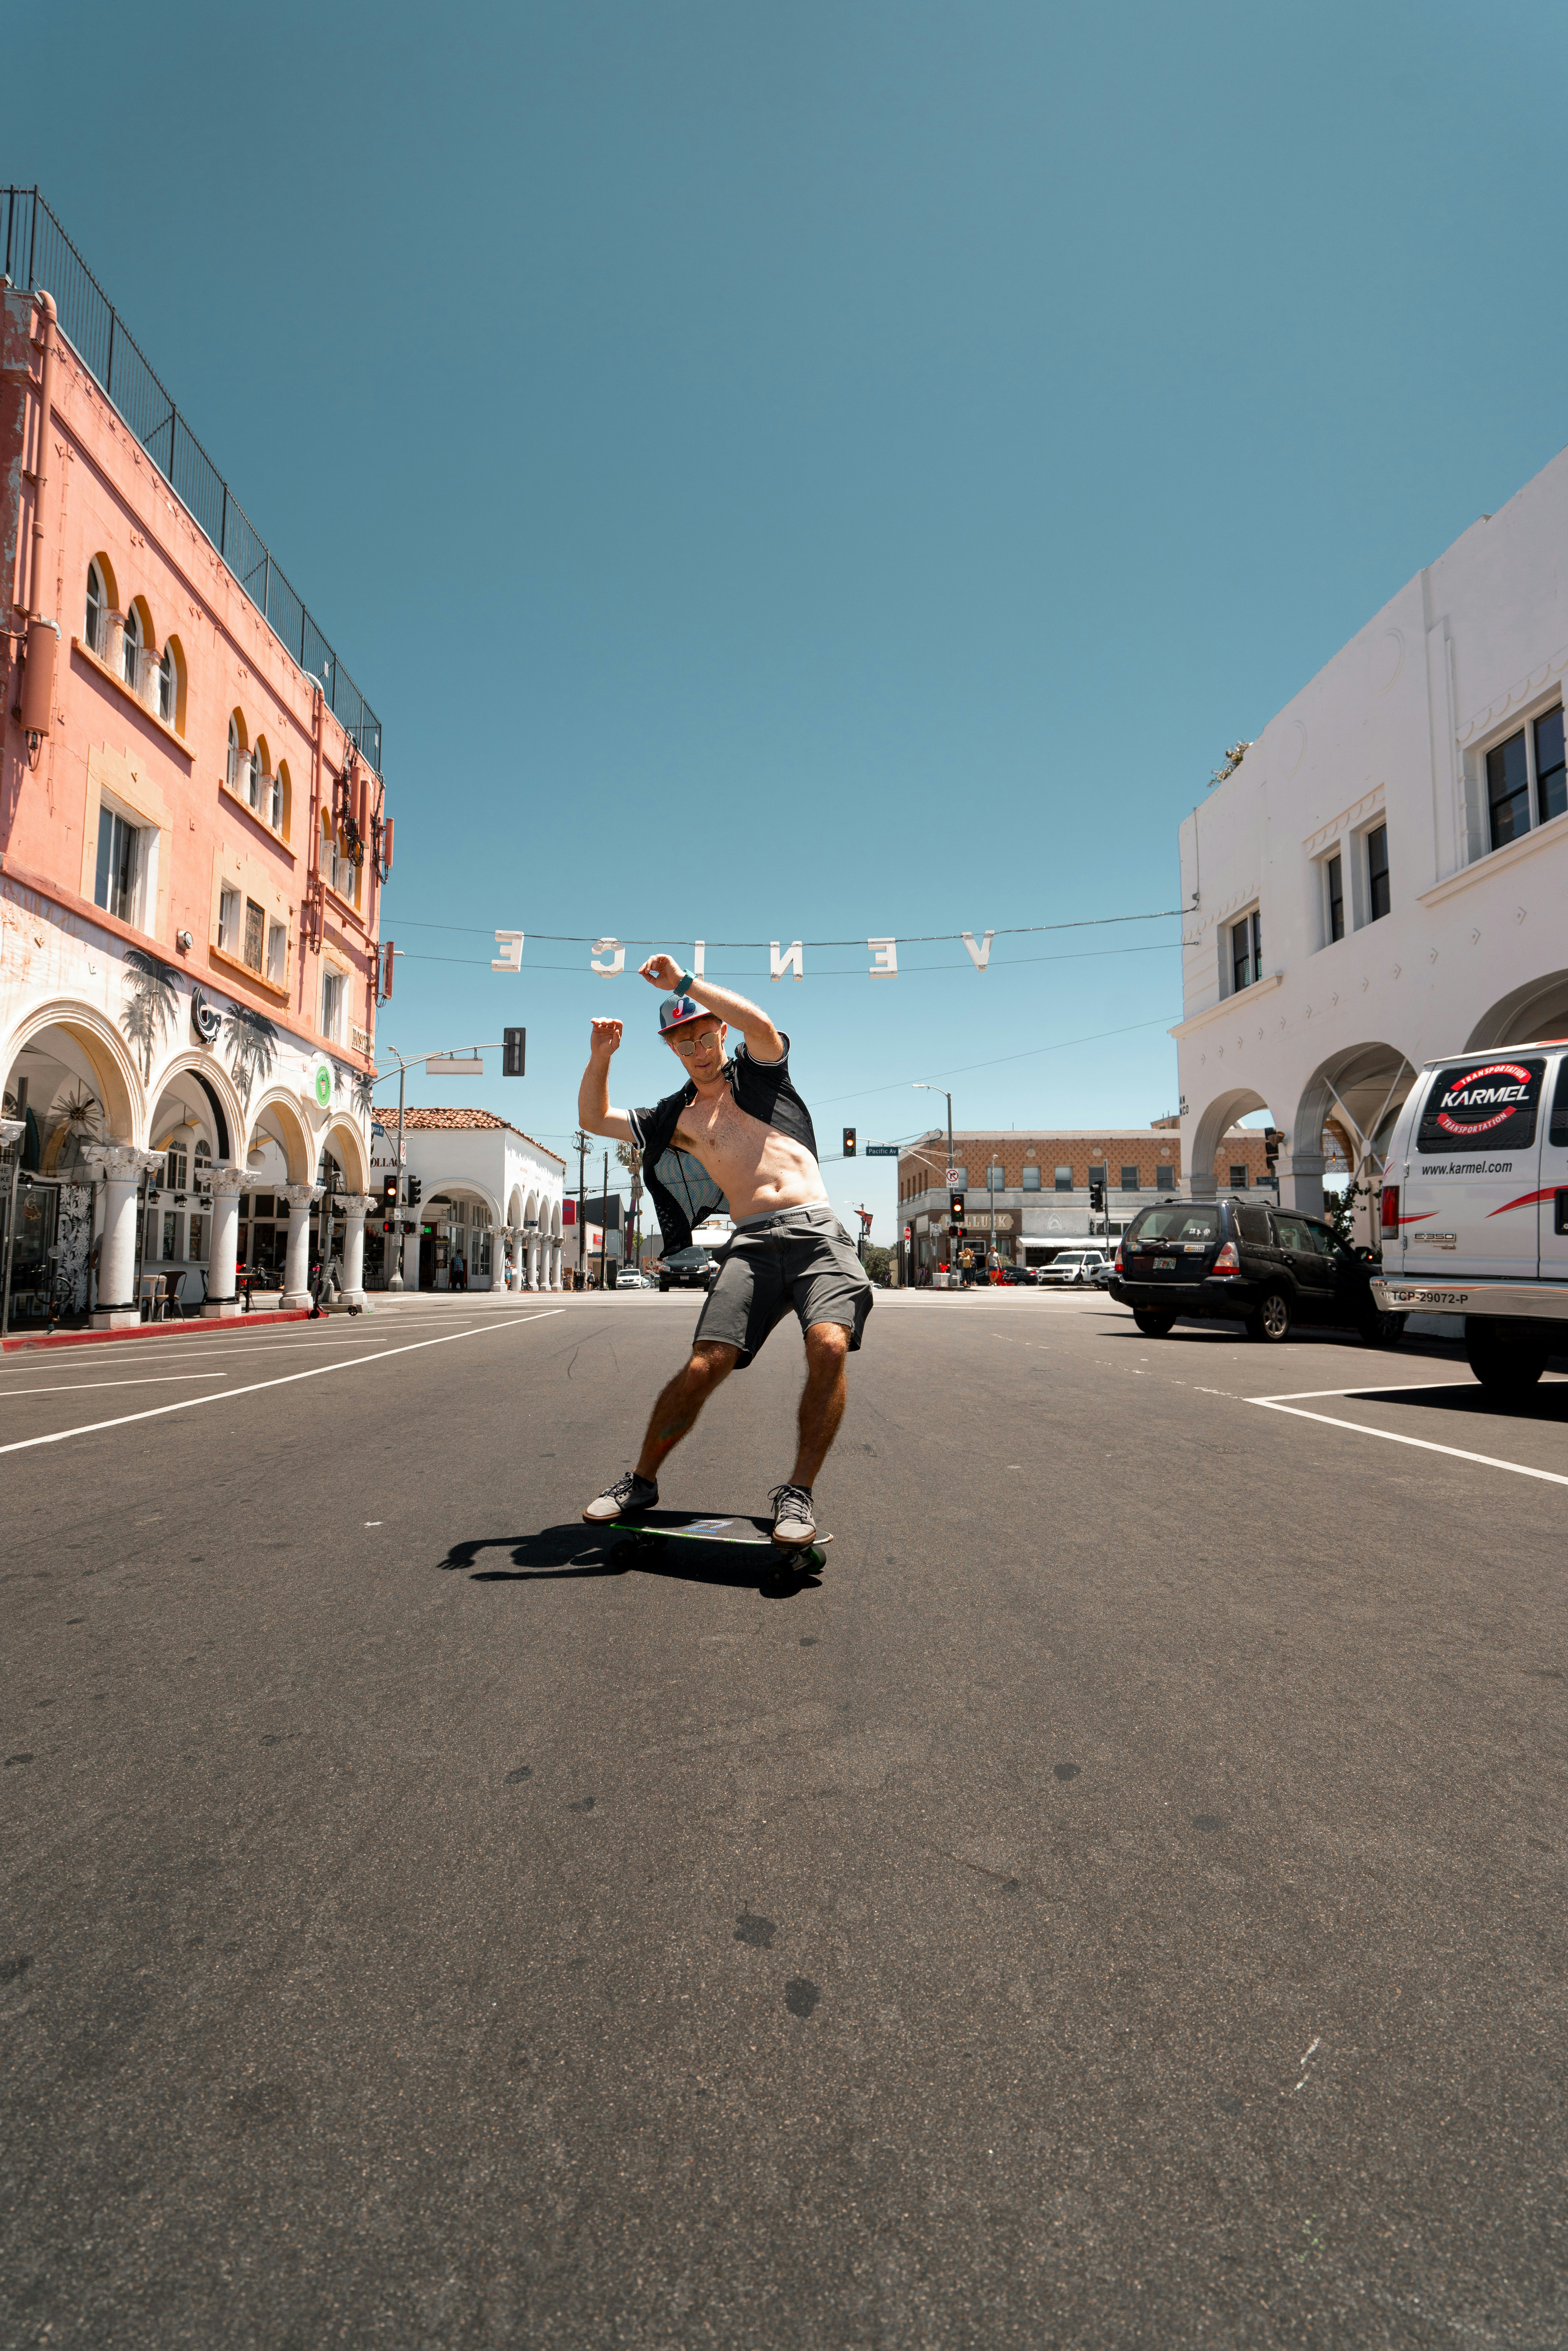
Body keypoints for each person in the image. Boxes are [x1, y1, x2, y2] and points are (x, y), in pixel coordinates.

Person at [576, 954, 873, 1545]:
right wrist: (601, 1058)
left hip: (817, 1233)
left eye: (705, 1035)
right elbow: (593, 1118)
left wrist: (685, 984)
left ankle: (799, 1493)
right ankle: (641, 1480)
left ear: (721, 1033)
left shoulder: (760, 1077)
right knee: (704, 1364)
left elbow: (763, 1026)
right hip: (753, 1245)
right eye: (684, 1043)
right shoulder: (675, 1118)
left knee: (829, 1344)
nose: (698, 1050)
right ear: (673, 1050)